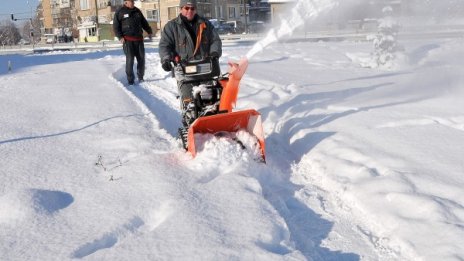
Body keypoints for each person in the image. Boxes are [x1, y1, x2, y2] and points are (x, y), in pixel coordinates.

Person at [159, 0, 222, 126]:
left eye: (192, 8)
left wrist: (214, 53)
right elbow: (165, 45)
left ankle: (213, 123)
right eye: (187, 8)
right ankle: (191, 126)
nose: (189, 11)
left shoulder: (205, 24)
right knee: (190, 102)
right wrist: (166, 59)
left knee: (209, 99)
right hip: (184, 70)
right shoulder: (172, 26)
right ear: (181, 8)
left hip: (205, 68)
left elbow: (215, 40)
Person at [113, 0, 153, 85]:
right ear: (126, 2)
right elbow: (116, 26)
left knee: (141, 59)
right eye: (131, 1)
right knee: (130, 60)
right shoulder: (120, 12)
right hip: (128, 41)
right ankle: (130, 80)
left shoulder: (137, 11)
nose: (133, 3)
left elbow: (144, 22)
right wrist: (120, 37)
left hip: (139, 40)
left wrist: (149, 31)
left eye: (133, 1)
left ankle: (141, 77)